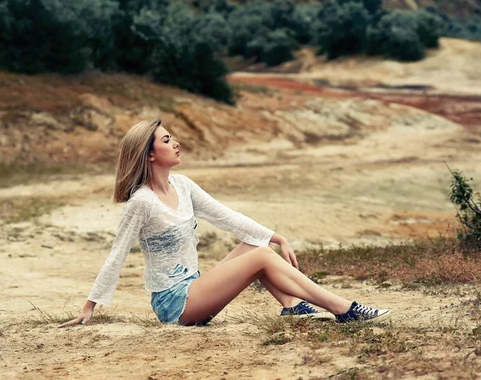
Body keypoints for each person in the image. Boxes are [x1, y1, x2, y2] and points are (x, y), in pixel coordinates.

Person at [59, 120, 389, 327]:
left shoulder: (183, 185)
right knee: (259, 258)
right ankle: (343, 308)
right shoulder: (141, 203)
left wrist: (277, 237)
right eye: (166, 140)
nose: (175, 143)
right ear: (149, 155)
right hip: (176, 303)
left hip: (195, 288)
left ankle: (291, 305)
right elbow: (116, 254)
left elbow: (226, 216)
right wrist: (90, 306)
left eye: (171, 137)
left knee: (255, 244)